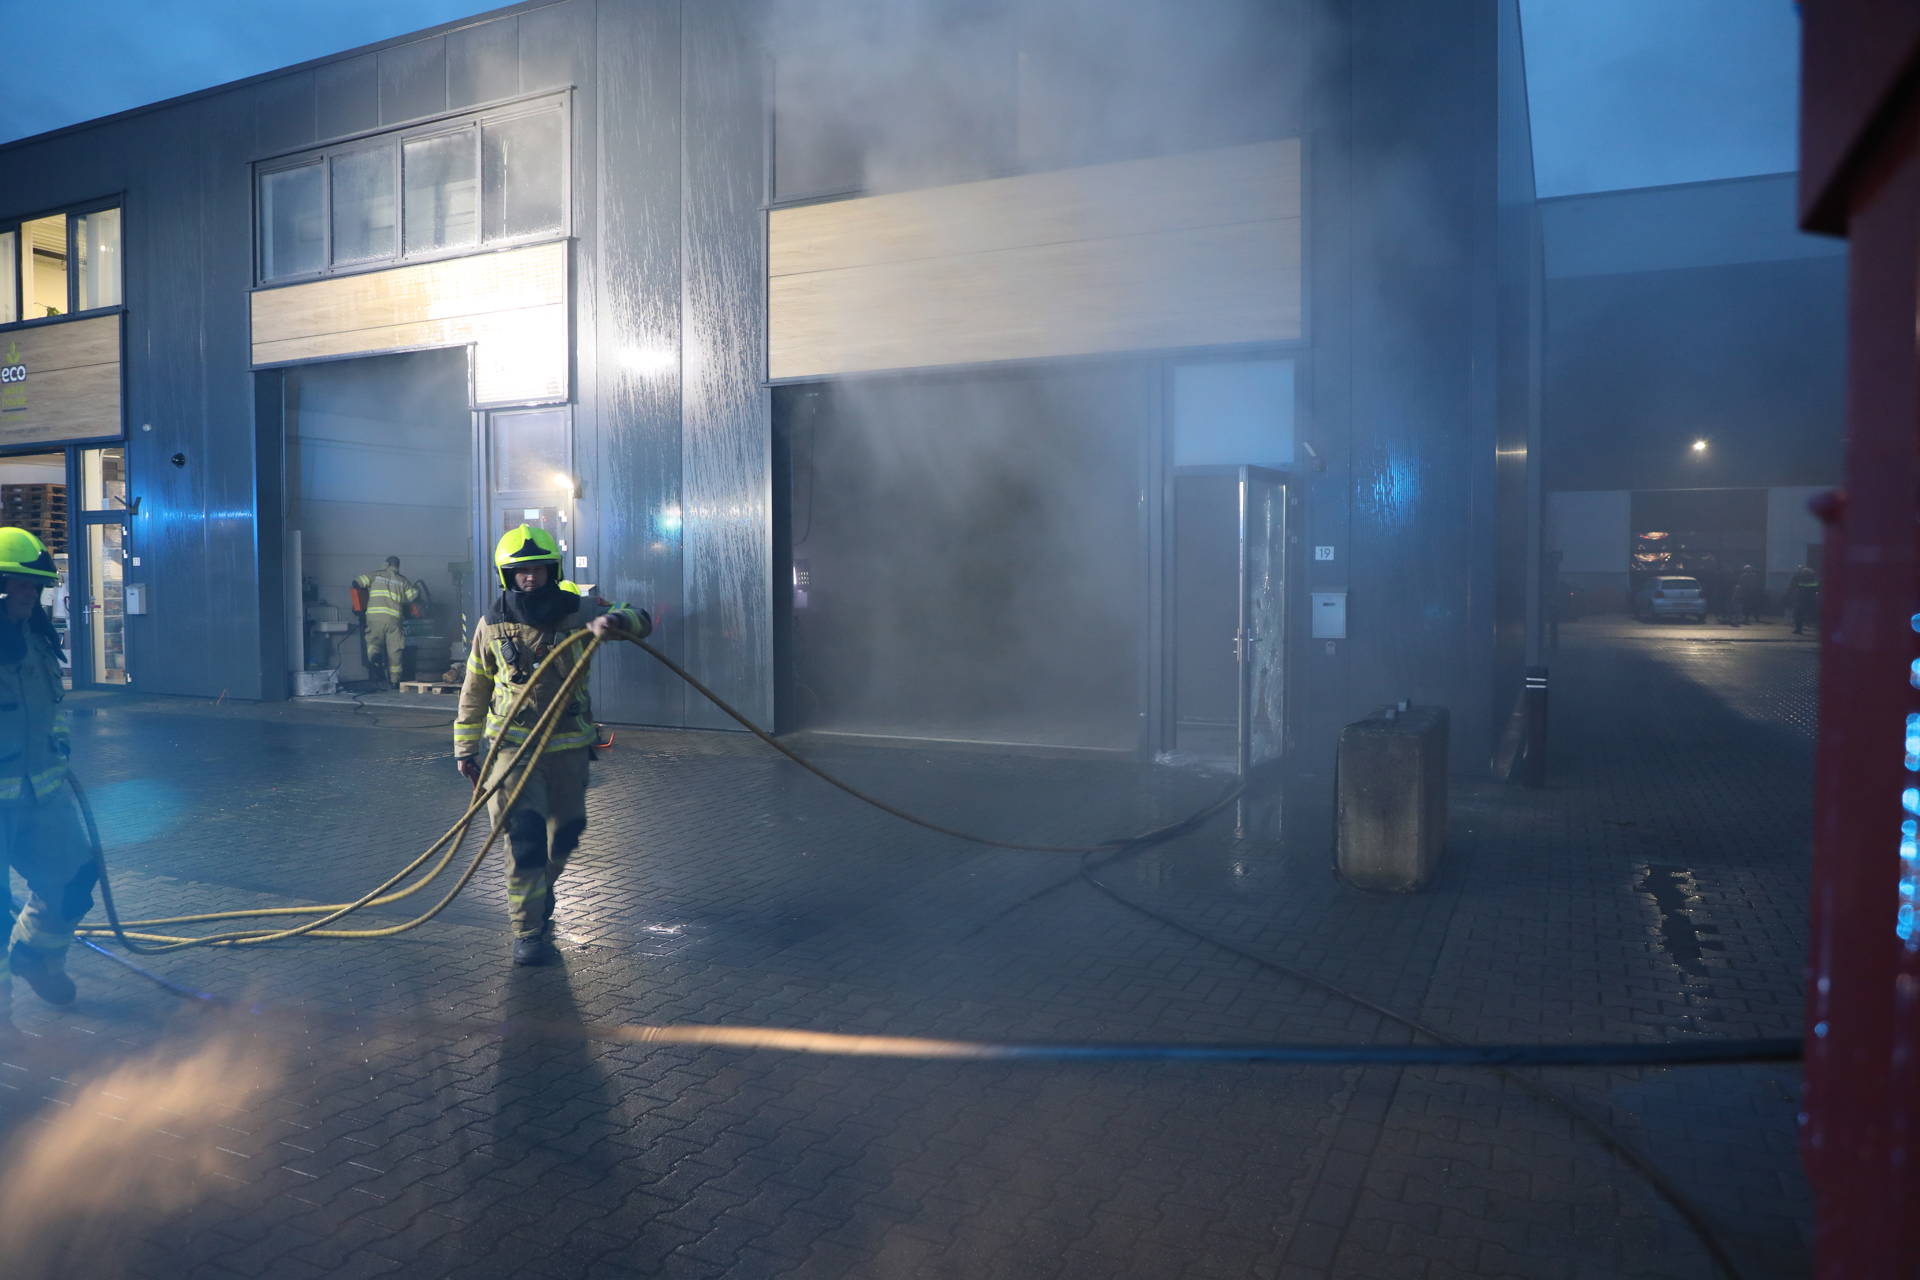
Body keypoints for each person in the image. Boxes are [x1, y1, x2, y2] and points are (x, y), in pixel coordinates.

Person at [453, 526, 650, 965]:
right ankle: (528, 932)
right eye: (520, 572)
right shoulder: (493, 622)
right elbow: (475, 687)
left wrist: (614, 621)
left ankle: (542, 902)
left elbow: (641, 619)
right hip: (512, 753)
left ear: (552, 570)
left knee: (563, 839)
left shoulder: (578, 612)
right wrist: (466, 749)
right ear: (507, 575)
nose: (529, 578)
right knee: (523, 842)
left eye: (537, 569)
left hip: (567, 749)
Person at [0, 528, 96, 1033]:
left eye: (35, 589)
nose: (29, 597)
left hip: (41, 795)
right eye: (19, 586)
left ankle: (37, 958)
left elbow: (51, 712)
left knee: (75, 879)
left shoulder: (37, 640)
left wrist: (57, 754)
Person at [353, 556, 421, 688]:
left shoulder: (376, 575)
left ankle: (375, 658)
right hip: (394, 620)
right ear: (398, 566)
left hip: (374, 618)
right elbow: (413, 596)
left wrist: (359, 604)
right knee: (395, 650)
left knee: (373, 643)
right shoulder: (403, 581)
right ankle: (395, 682)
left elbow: (356, 582)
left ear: (386, 564)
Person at [1788, 564, 1821, 635]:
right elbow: (1818, 587)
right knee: (1812, 614)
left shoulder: (1798, 576)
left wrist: (1791, 593)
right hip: (1811, 598)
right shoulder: (1813, 576)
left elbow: (1793, 585)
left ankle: (1798, 629)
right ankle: (1815, 627)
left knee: (1798, 614)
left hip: (1801, 598)